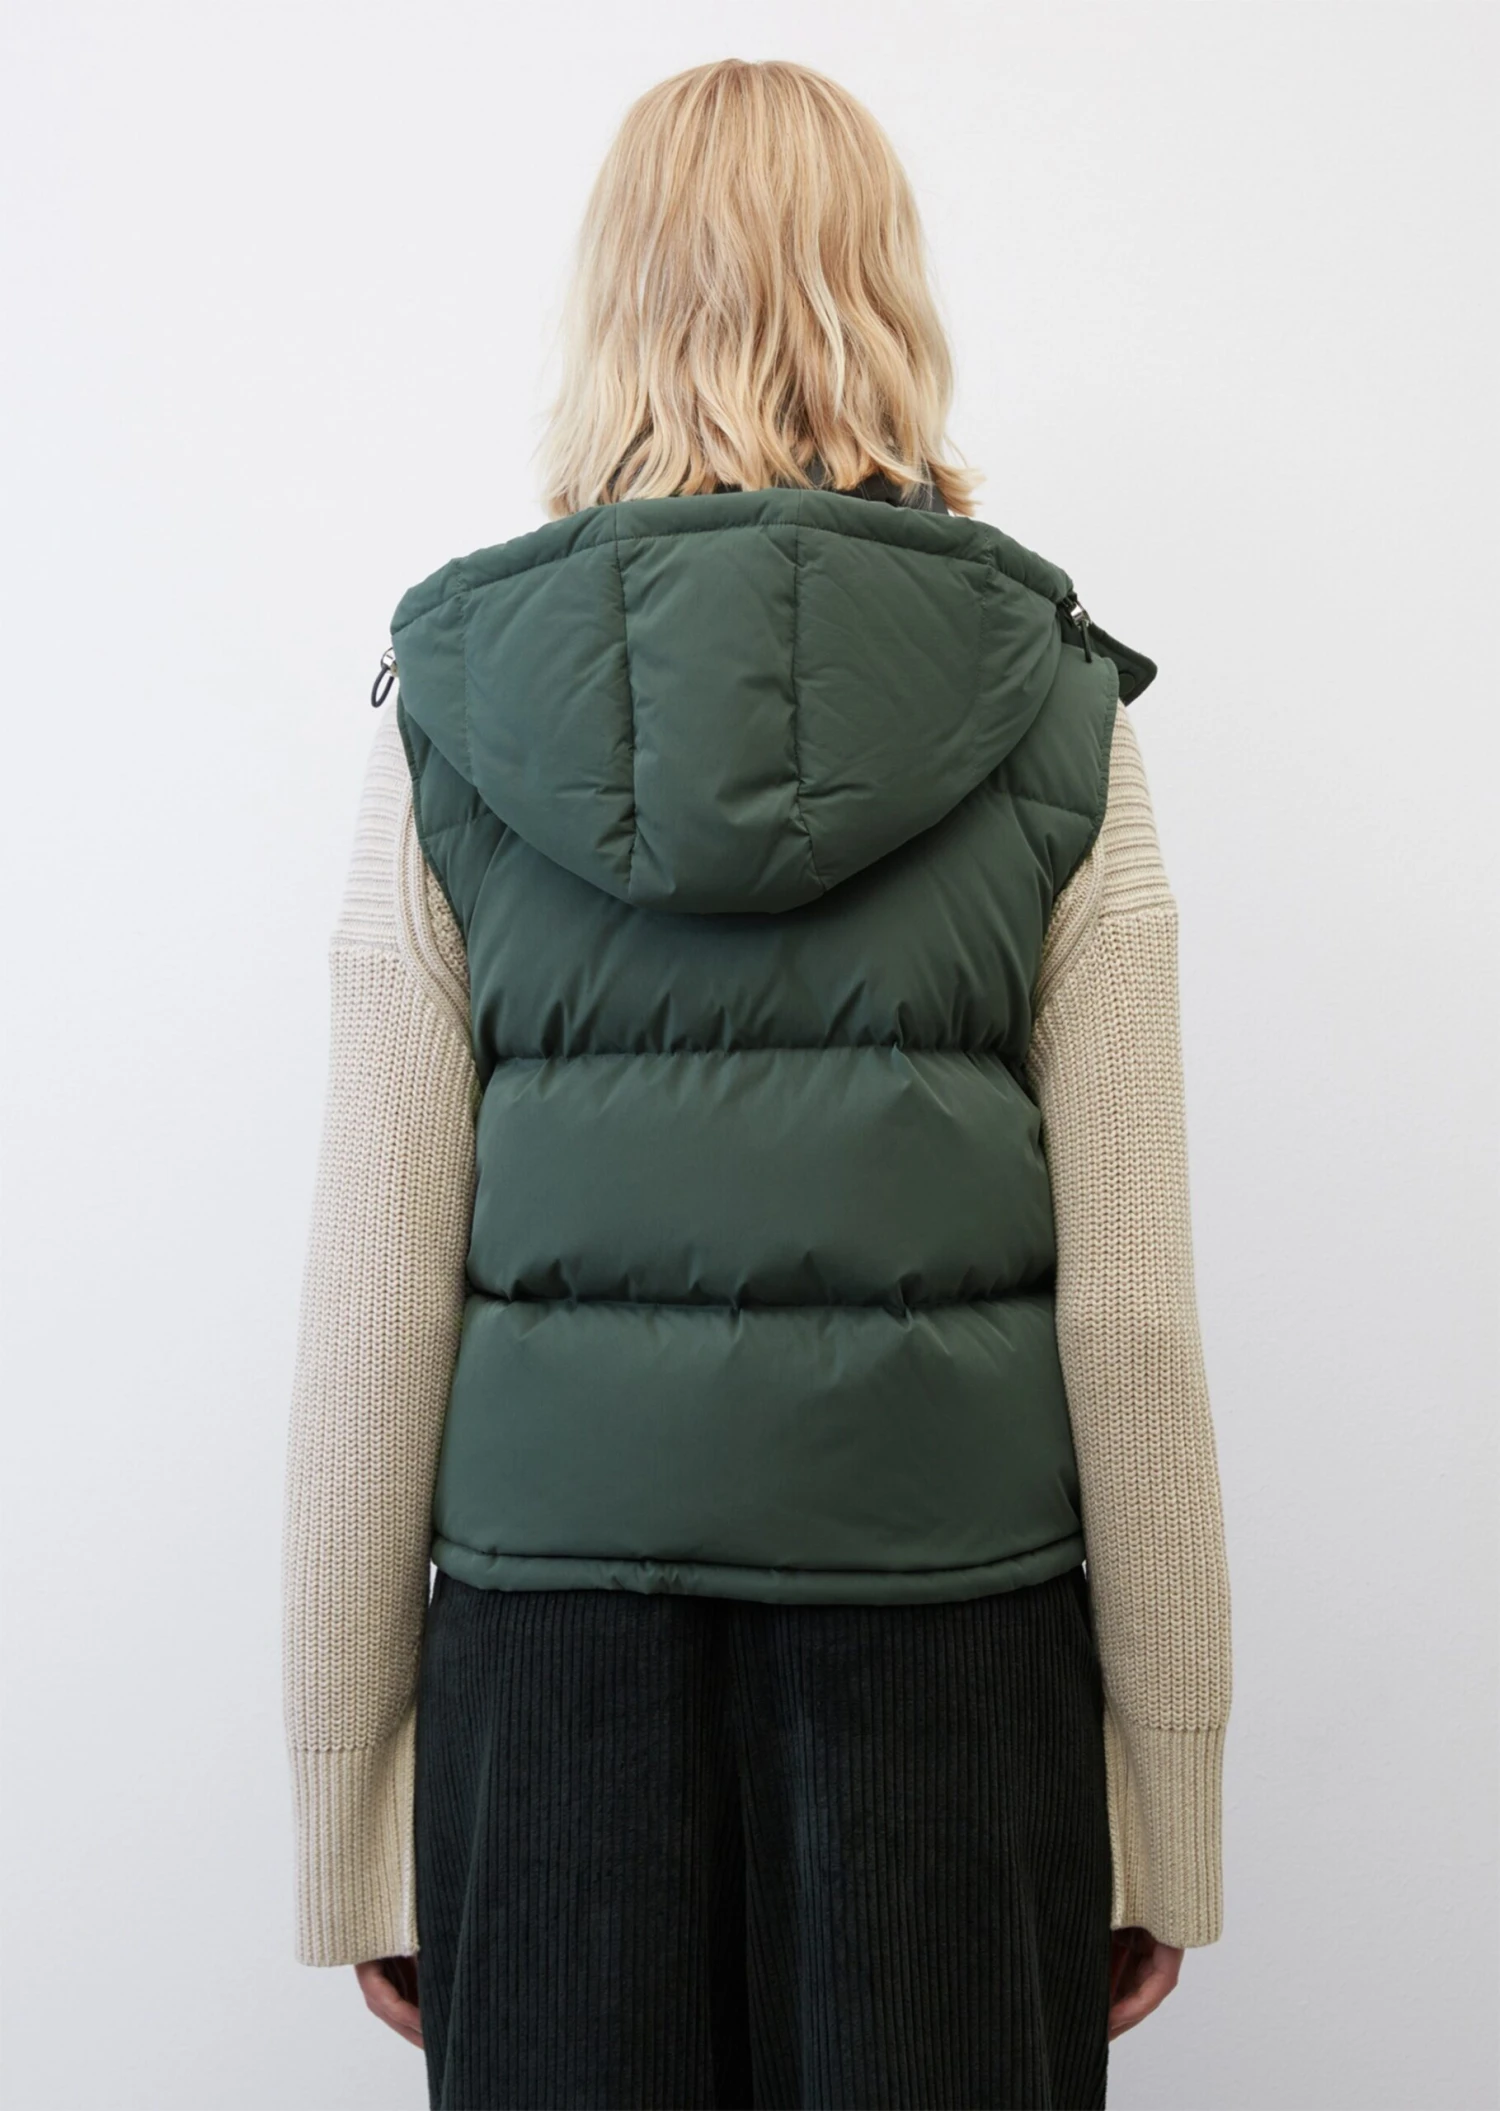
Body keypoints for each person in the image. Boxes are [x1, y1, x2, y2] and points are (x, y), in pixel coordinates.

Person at [281, 56, 1233, 2111]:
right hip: (950, 1653)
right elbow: (1133, 1317)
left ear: (610, 306)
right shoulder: (1059, 711)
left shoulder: (448, 722)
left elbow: (370, 1305)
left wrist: (357, 1809)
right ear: (884, 294)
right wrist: (1162, 1799)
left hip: (552, 1673)